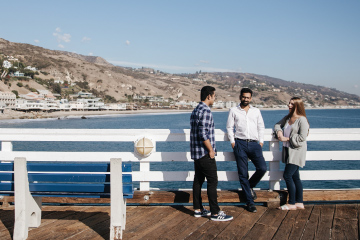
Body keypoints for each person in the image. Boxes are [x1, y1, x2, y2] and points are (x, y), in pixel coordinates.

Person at [190, 86, 233, 221]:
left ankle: (198, 209)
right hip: (204, 153)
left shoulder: (196, 110)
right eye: (214, 96)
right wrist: (211, 150)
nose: (215, 98)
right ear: (209, 96)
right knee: (213, 181)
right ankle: (215, 212)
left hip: (196, 153)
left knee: (198, 181)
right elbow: (203, 133)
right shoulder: (206, 111)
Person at [226, 88, 267, 213]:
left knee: (262, 168)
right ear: (240, 97)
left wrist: (261, 142)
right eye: (244, 97)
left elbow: (261, 127)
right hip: (240, 144)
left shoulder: (256, 111)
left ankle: (249, 187)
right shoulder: (234, 110)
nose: (245, 99)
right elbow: (229, 127)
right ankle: (250, 202)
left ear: (251, 98)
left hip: (255, 144)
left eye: (248, 97)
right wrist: (233, 142)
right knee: (243, 174)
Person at [274, 97, 309, 210]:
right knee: (295, 177)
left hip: (297, 151)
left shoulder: (302, 120)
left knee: (287, 175)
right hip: (289, 151)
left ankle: (292, 203)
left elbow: (302, 137)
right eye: (289, 103)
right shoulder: (288, 117)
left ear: (298, 106)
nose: (289, 105)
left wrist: (287, 139)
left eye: (292, 104)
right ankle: (299, 202)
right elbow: (277, 125)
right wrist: (279, 133)